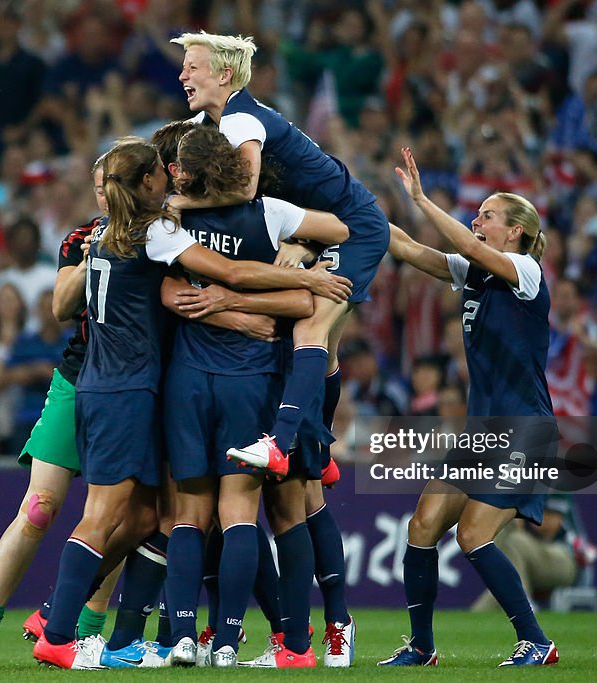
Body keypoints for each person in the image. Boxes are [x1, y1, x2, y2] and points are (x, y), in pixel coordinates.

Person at [31, 139, 351, 670]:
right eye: (160, 170)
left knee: (163, 516)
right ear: (147, 183)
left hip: (109, 384)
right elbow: (234, 273)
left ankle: (149, 635)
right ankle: (62, 632)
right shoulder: (160, 231)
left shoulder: (115, 231)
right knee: (126, 515)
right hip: (138, 389)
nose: (169, 175)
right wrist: (306, 275)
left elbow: (165, 289)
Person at [157, 125, 348, 668]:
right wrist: (302, 256)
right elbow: (341, 229)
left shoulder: (172, 220)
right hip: (254, 381)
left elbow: (168, 292)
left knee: (190, 516)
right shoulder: (271, 212)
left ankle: (181, 638)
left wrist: (217, 303)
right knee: (242, 511)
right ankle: (227, 642)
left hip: (189, 378)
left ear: (180, 171)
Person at [169, 32, 390, 482]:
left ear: (224, 74)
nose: (182, 75)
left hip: (352, 229)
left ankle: (280, 443)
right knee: (321, 353)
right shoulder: (213, 125)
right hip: (321, 225)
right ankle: (319, 447)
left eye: (192, 66)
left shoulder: (240, 119)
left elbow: (246, 189)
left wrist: (178, 205)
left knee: (310, 325)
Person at [380, 148, 559, 667]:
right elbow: (411, 250)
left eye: (487, 215)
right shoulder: (475, 271)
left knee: (474, 533)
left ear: (515, 232)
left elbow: (459, 243)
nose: (477, 221)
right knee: (422, 525)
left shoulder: (524, 271)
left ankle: (537, 641)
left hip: (525, 431)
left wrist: (421, 199)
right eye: (476, 214)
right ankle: (421, 647)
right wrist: (352, 213)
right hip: (484, 432)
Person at [0, 159, 126, 669]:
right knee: (38, 510)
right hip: (77, 379)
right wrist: (93, 254)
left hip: (132, 390)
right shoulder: (80, 238)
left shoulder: (162, 237)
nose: (104, 196)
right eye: (99, 187)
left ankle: (90, 634)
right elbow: (59, 308)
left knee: (115, 517)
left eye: (113, 185)